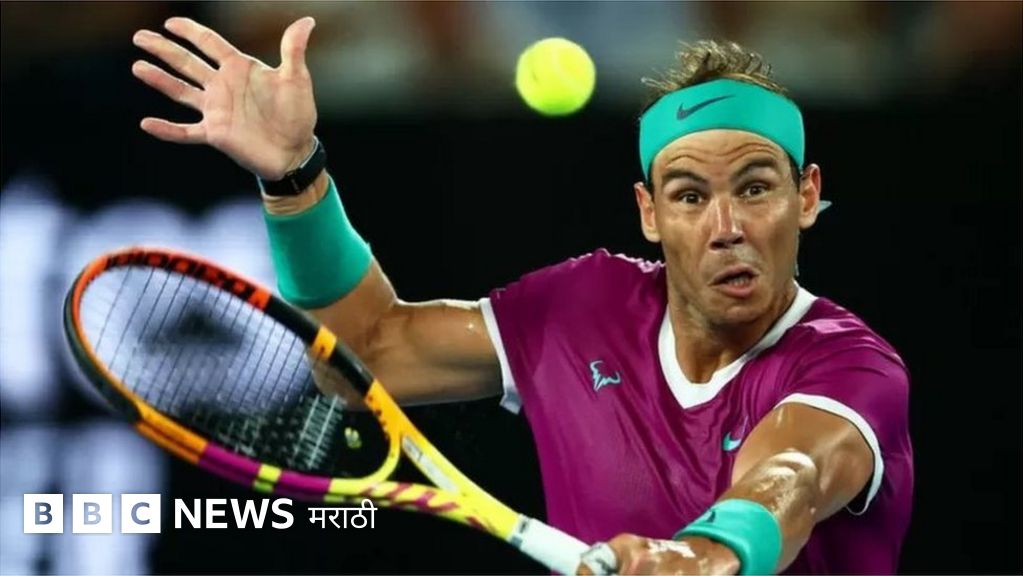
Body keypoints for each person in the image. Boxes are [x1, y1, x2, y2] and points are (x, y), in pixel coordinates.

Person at [132, 16, 913, 575]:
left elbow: (792, 477)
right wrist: (294, 177)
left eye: (756, 188)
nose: (727, 227)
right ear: (649, 213)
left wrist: (699, 557)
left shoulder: (852, 370)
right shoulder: (584, 309)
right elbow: (365, 354)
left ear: (807, 196)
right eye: (688, 196)